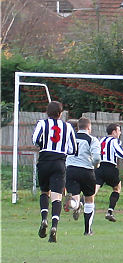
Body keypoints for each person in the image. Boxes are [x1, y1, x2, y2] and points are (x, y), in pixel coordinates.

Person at [32, 101, 77, 243]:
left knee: (45, 192)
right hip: (59, 162)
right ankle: (54, 227)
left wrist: (44, 144)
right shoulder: (67, 126)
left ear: (47, 112)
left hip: (44, 161)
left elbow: (35, 140)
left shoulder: (42, 123)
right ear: (61, 113)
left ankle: (44, 218)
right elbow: (73, 149)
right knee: (57, 197)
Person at [65, 117, 101, 235]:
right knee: (89, 199)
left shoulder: (69, 138)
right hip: (86, 171)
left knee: (75, 197)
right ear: (89, 127)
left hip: (70, 170)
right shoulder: (92, 140)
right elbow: (96, 158)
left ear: (78, 127)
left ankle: (74, 204)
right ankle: (87, 230)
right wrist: (95, 165)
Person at [95, 123, 123, 222]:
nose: (119, 133)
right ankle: (110, 212)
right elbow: (118, 150)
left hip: (100, 168)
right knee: (117, 188)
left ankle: (81, 203)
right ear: (114, 132)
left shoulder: (101, 140)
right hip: (110, 168)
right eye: (119, 131)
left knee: (93, 190)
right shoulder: (115, 141)